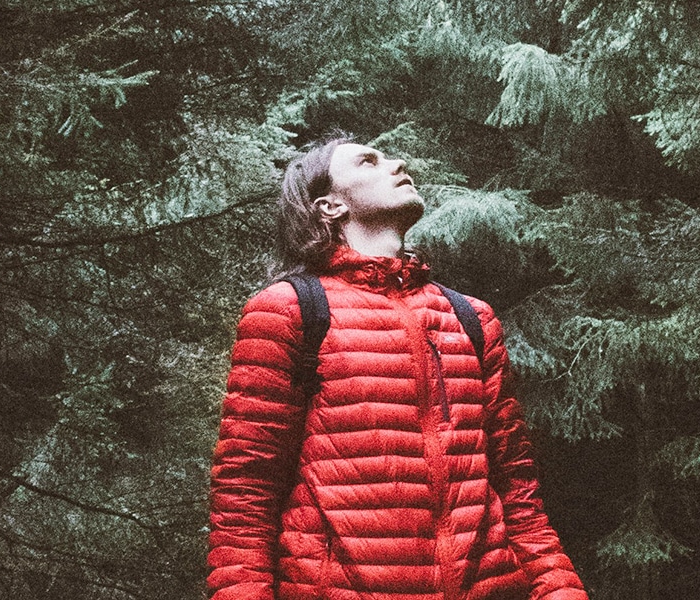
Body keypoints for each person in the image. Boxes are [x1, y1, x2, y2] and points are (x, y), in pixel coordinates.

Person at [207, 135, 588, 600]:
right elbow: (245, 495)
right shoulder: (289, 310)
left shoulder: (470, 317)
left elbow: (517, 487)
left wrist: (560, 589)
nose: (398, 162)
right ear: (329, 207)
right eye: (368, 161)